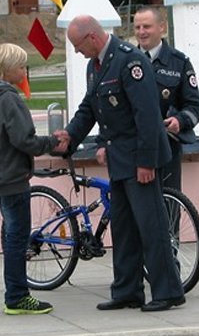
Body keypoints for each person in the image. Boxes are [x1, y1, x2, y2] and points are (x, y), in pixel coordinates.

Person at [53, 15, 185, 312]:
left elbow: (147, 115)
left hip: (140, 160)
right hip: (119, 160)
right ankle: (127, 291)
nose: (77, 51)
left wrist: (147, 162)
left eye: (78, 45)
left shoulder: (130, 61)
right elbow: (89, 108)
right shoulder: (95, 66)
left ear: (92, 37)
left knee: (152, 227)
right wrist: (70, 136)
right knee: (124, 229)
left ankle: (168, 291)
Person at [0, 43, 59, 315]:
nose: (25, 71)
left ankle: (15, 292)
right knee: (17, 238)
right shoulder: (9, 100)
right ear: (8, 69)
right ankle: (17, 295)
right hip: (13, 176)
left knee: (10, 234)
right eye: (22, 66)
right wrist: (52, 143)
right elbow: (24, 140)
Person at [132, 6, 199, 191]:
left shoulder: (179, 62)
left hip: (167, 148)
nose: (141, 32)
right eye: (137, 27)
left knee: (169, 204)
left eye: (147, 26)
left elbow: (194, 107)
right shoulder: (125, 61)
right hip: (133, 149)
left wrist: (180, 121)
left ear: (162, 27)